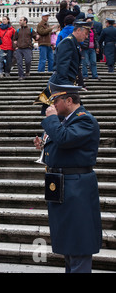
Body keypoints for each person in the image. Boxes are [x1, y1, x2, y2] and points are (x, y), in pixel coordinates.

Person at [34, 82, 101, 273]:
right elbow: (62, 143)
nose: (51, 105)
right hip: (63, 184)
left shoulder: (85, 120)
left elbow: (64, 139)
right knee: (69, 242)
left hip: (77, 186)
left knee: (79, 241)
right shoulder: (67, 121)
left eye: (55, 101)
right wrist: (45, 146)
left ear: (69, 100)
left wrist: (52, 119)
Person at [81, 16, 100, 80]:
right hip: (85, 47)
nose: (90, 23)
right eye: (88, 21)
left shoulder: (93, 30)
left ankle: (95, 75)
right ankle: (85, 75)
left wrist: (97, 47)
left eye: (91, 21)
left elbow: (96, 39)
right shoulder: (83, 29)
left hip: (92, 48)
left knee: (93, 62)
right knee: (85, 62)